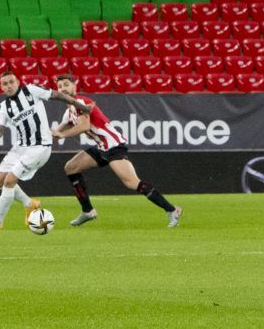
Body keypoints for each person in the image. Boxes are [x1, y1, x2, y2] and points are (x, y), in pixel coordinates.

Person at [56, 74, 181, 228]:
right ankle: (87, 211)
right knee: (70, 167)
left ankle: (172, 209)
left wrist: (61, 134)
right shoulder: (68, 113)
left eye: (66, 85)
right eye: (60, 86)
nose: (63, 89)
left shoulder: (82, 102)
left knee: (132, 183)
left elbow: (84, 126)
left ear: (75, 85)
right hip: (101, 146)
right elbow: (56, 132)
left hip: (113, 145)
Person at [0, 69, 89, 232]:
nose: (9, 86)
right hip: (20, 147)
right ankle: (30, 204)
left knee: (9, 180)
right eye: (5, 84)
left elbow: (58, 95)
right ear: (1, 87)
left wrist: (81, 105)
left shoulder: (31, 91)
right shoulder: (4, 107)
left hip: (40, 146)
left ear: (18, 82)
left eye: (11, 82)